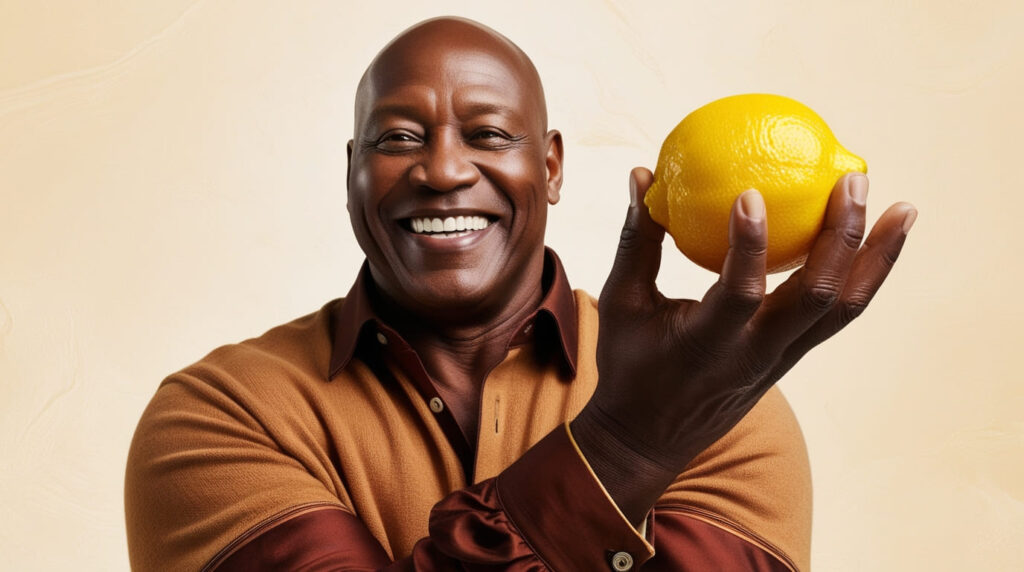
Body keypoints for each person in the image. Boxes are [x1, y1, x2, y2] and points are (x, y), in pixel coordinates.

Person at [125, 16, 915, 571]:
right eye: (398, 137)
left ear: (553, 168)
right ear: (350, 172)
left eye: (489, 134)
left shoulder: (726, 414)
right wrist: (626, 448)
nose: (441, 170)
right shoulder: (220, 416)